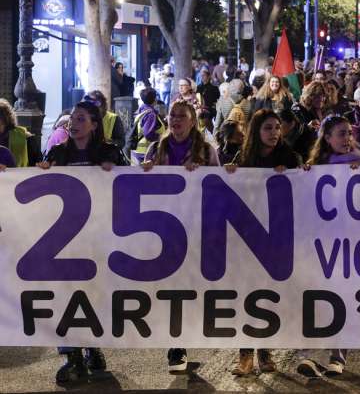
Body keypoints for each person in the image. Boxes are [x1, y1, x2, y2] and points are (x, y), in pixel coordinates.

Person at [39, 101, 124, 384]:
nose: (72, 123)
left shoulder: (109, 152)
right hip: (63, 243)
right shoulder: (58, 153)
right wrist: (41, 171)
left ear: (94, 125)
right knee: (64, 296)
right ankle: (71, 355)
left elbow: (129, 185)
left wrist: (114, 169)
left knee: (92, 296)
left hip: (98, 240)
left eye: (81, 118)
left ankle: (92, 347)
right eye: (71, 118)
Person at [141, 101, 220, 373]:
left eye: (181, 116)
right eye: (172, 115)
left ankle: (185, 337)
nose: (175, 120)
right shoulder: (156, 149)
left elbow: (221, 187)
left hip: (196, 228)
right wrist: (146, 171)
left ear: (192, 121)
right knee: (170, 290)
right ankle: (177, 345)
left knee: (190, 289)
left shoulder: (206, 151)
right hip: (165, 231)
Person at [223, 110, 300, 376]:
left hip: (277, 237)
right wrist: (231, 172)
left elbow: (303, 183)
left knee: (268, 297)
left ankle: (266, 353)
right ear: (256, 131)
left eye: (278, 127)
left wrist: (290, 173)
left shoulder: (289, 158)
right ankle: (245, 355)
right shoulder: (243, 158)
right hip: (248, 238)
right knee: (246, 295)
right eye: (268, 128)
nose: (275, 133)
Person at [295, 115, 360, 379]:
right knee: (317, 301)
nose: (347, 138)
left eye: (349, 133)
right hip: (321, 245)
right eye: (341, 133)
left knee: (343, 300)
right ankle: (309, 355)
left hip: (352, 245)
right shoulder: (315, 167)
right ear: (326, 138)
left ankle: (337, 358)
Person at [129, 87, 166, 164]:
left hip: (139, 151)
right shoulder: (150, 114)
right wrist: (161, 136)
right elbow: (148, 134)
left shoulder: (141, 110)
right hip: (146, 152)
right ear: (155, 99)